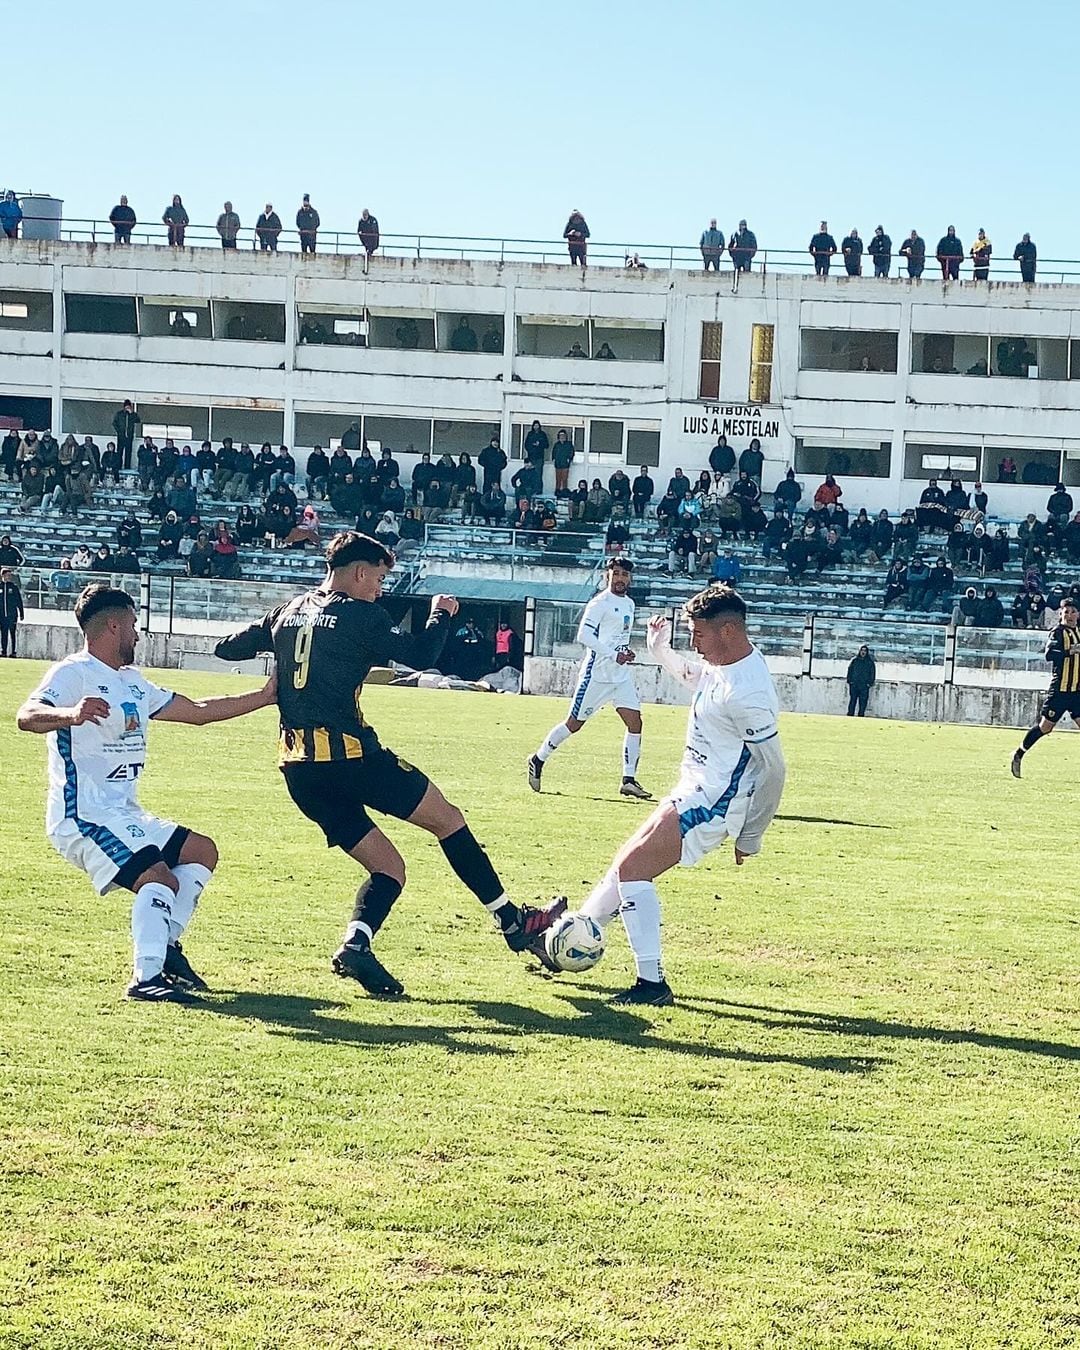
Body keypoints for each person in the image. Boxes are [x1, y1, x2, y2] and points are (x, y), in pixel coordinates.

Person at [213, 532, 563, 994]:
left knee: (389, 869)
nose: (379, 589)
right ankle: (512, 922)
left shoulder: (288, 611)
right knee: (448, 821)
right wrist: (441, 614)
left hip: (298, 769)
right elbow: (422, 654)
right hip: (352, 758)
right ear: (359, 573)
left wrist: (281, 650)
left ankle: (356, 946)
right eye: (378, 579)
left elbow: (226, 648)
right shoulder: (361, 615)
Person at [15, 584, 277, 1002]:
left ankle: (166, 948)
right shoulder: (73, 672)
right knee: (158, 878)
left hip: (124, 813)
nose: (138, 635)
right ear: (114, 626)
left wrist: (266, 697)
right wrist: (70, 714)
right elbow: (26, 716)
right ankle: (146, 978)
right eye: (134, 626)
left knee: (201, 851)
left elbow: (199, 713)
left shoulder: (132, 682)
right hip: (83, 815)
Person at [561, 587, 784, 1005]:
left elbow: (774, 770)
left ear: (729, 631)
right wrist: (660, 649)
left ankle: (652, 985)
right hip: (693, 788)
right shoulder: (723, 662)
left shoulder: (749, 692)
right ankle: (580, 931)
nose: (694, 643)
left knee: (633, 869)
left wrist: (751, 836)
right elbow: (696, 677)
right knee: (627, 858)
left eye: (698, 634)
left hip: (715, 804)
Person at [529, 557, 651, 801]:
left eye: (624, 574)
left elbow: (616, 637)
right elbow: (584, 635)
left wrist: (625, 652)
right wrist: (613, 654)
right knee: (574, 724)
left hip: (619, 676)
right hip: (597, 675)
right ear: (607, 576)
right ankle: (538, 758)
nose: (620, 578)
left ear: (630, 578)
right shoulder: (599, 603)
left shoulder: (628, 603)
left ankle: (628, 780)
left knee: (635, 723)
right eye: (615, 573)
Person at [1011, 598, 1080, 777]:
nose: (1070, 615)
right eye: (1066, 612)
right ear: (1060, 614)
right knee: (1045, 727)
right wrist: (1069, 652)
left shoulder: (1079, 632)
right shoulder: (1057, 632)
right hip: (1059, 691)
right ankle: (1019, 754)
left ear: (1078, 615)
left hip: (1076, 692)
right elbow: (1049, 655)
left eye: (1073, 612)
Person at [0, 566, 23, 656]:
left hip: (12, 615)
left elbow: (19, 601)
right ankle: (3, 651)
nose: (8, 577)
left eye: (10, 575)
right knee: (4, 633)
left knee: (12, 633)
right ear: (2, 576)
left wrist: (21, 613)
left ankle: (13, 652)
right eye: (7, 575)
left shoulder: (13, 587)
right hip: (2, 616)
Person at [846, 645, 875, 716]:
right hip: (854, 684)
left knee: (863, 702)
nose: (863, 652)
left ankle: (861, 715)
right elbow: (850, 670)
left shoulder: (870, 662)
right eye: (862, 650)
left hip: (864, 686)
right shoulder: (855, 661)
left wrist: (869, 683)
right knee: (853, 700)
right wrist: (850, 681)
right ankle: (850, 714)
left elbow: (872, 673)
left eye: (865, 651)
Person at [552, 429, 575, 496]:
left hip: (565, 464)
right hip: (558, 464)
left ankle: (564, 491)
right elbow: (554, 453)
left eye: (563, 436)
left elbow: (572, 452)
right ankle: (557, 491)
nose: (562, 437)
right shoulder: (556, 445)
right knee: (558, 479)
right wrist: (554, 459)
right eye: (560, 436)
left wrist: (569, 459)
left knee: (564, 479)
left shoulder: (569, 444)